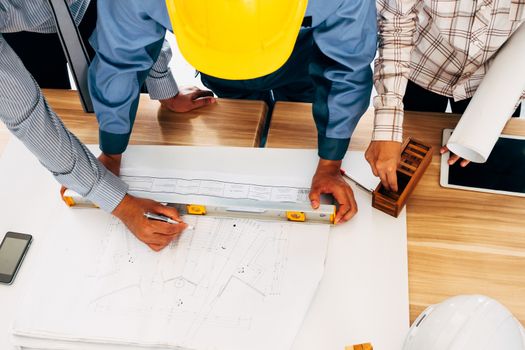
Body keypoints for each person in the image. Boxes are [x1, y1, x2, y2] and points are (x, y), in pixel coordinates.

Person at [88, 0, 377, 228]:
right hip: (220, 76)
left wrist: (330, 161)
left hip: (302, 58)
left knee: (294, 121)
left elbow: (347, 70)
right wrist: (112, 152)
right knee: (241, 122)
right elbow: (119, 62)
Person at [0, 0, 211, 252]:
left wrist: (161, 84)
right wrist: (120, 203)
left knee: (125, 80)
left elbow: (137, 18)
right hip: (21, 29)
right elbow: (27, 115)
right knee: (58, 103)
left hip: (86, 5)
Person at [366, 0, 524, 192]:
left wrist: (484, 127)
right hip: (423, 66)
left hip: (496, 79)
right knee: (410, 174)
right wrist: (386, 129)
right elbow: (396, 27)